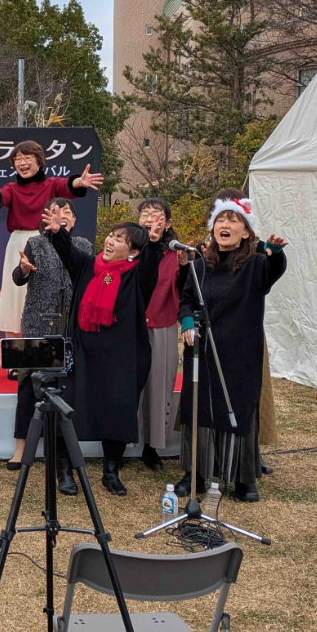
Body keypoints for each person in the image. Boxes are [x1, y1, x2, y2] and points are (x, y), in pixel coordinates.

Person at [43, 205, 165, 496]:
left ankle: (111, 471)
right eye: (111, 235)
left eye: (120, 239)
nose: (110, 241)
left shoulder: (137, 276)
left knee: (118, 412)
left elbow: (151, 262)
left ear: (132, 252)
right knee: (67, 407)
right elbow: (66, 251)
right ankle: (64, 471)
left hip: (121, 358)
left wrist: (156, 242)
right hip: (82, 353)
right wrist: (59, 232)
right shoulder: (89, 266)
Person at [176, 195, 287, 503]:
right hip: (202, 351)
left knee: (239, 408)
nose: (225, 225)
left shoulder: (256, 264)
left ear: (246, 231)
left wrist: (275, 253)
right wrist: (186, 322)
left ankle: (243, 478)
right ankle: (194, 474)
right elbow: (186, 300)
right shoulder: (199, 267)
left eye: (233, 220)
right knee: (199, 408)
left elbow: (273, 270)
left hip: (240, 351)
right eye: (220, 221)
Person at [0, 141, 103, 341]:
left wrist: (79, 182)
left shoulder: (51, 184)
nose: (22, 163)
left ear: (39, 162)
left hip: (49, 242)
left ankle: (46, 347)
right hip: (19, 244)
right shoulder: (13, 188)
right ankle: (16, 357)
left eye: (27, 158)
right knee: (15, 297)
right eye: (17, 159)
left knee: (45, 294)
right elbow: (1, 197)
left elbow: (68, 185)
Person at [7, 198, 92, 494]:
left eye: (67, 211)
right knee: (28, 384)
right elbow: (18, 278)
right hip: (38, 322)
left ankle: (65, 460)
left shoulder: (83, 245)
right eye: (55, 212)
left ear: (73, 218)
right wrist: (25, 270)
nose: (61, 215)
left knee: (64, 389)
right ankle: (21, 449)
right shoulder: (35, 242)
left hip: (71, 325)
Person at [135, 198, 188, 471]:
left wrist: (185, 266)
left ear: (167, 223)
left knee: (158, 387)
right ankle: (119, 442)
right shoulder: (126, 247)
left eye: (157, 215)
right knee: (127, 386)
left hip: (161, 325)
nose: (150, 218)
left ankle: (152, 446)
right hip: (129, 327)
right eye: (145, 213)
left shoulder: (175, 256)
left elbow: (186, 291)